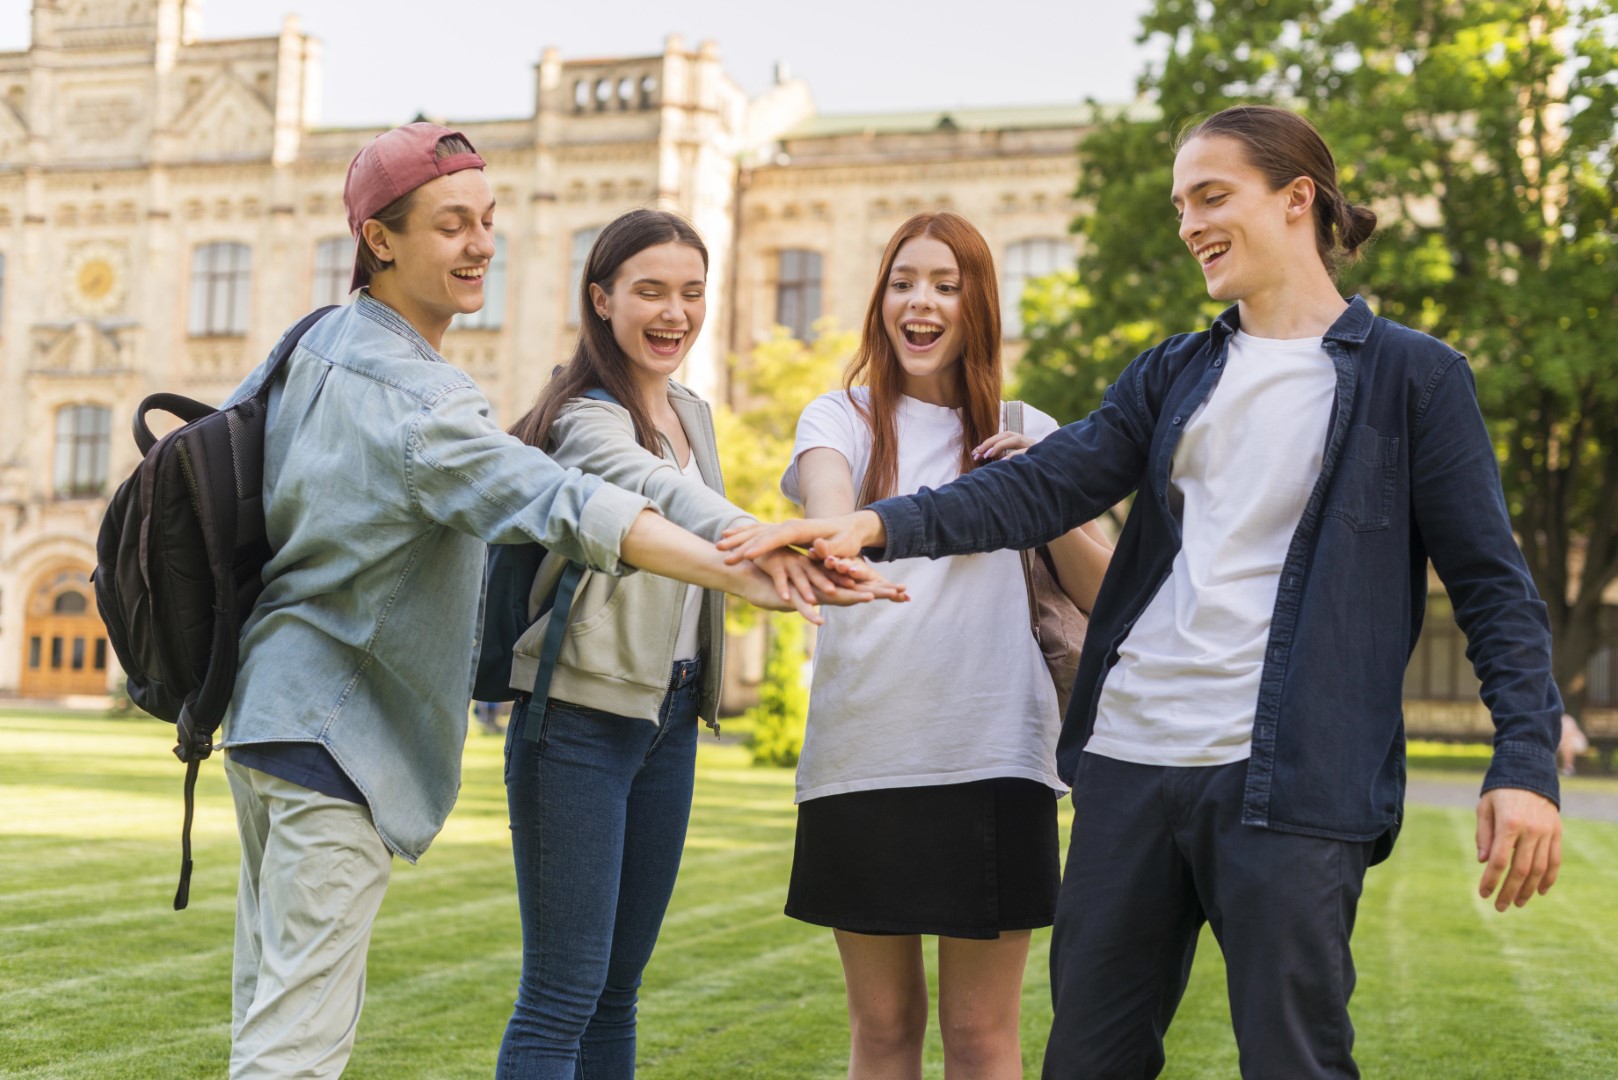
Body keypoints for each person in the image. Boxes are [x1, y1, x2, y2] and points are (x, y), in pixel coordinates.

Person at [721, 105, 1565, 1079]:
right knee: (1085, 1062)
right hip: (1127, 765)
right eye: (1179, 206)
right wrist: (869, 526)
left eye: (1211, 196)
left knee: (1293, 1060)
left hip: (1288, 782)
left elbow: (1492, 588)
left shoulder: (1413, 379)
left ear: (1297, 198)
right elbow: (1038, 485)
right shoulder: (1172, 372)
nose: (1189, 224)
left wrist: (1524, 763)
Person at [216, 123, 879, 1080]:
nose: (481, 244)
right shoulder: (427, 401)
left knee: (275, 1021)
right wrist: (742, 567)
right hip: (334, 731)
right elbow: (564, 500)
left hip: (272, 719)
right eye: (452, 224)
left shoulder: (313, 342)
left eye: (488, 220)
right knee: (296, 1050)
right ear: (379, 240)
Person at [492, 208, 901, 1077]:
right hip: (577, 719)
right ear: (601, 300)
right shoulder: (581, 418)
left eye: (691, 292)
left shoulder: (690, 411)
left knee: (617, 994)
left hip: (670, 719)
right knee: (561, 996)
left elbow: (698, 511)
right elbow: (660, 496)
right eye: (649, 291)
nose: (674, 313)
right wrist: (762, 541)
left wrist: (785, 547)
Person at [776, 210, 1111, 1080]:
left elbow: (1107, 594)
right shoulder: (840, 416)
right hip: (863, 754)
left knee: (980, 1035)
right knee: (884, 1029)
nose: (919, 302)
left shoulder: (1029, 426)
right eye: (902, 283)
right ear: (881, 300)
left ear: (978, 305)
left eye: (945, 285)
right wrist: (835, 541)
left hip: (994, 754)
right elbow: (828, 509)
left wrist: (1041, 486)